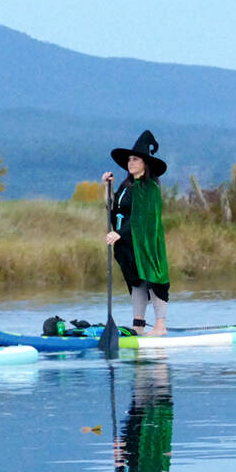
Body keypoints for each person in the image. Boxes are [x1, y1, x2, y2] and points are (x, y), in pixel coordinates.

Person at [102, 130, 170, 336]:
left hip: (146, 242)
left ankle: (160, 326)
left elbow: (141, 216)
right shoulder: (125, 186)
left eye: (135, 159)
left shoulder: (149, 187)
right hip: (127, 243)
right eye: (129, 160)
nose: (130, 163)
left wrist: (120, 233)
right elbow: (111, 208)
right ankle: (138, 326)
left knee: (152, 279)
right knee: (136, 280)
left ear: (144, 163)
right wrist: (107, 187)